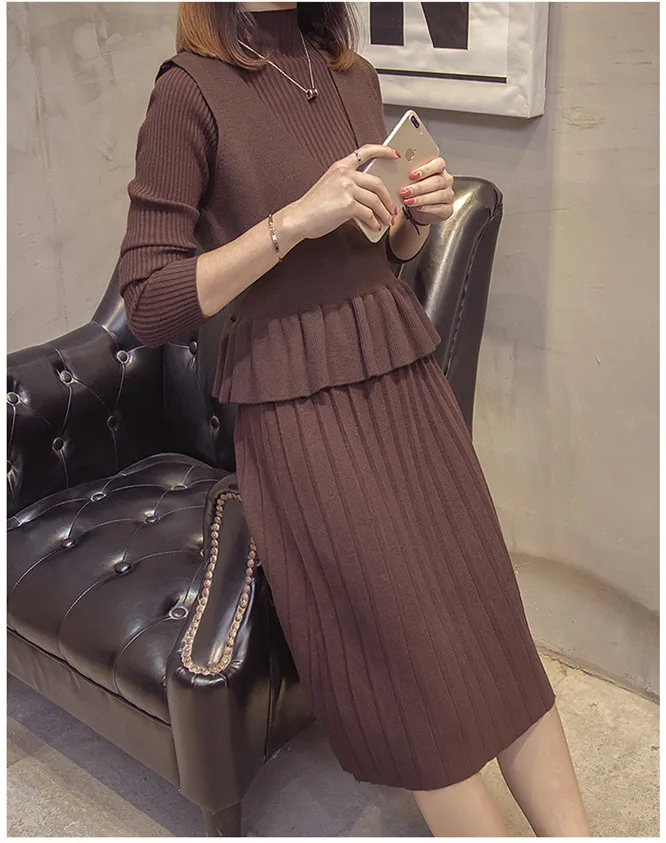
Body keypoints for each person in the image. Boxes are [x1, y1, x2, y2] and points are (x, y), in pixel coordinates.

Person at [118, 1, 592, 836]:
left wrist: (412, 220)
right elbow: (151, 302)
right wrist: (293, 221)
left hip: (400, 378)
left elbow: (382, 252)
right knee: (411, 666)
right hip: (295, 405)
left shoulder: (351, 75)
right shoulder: (187, 92)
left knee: (491, 625)